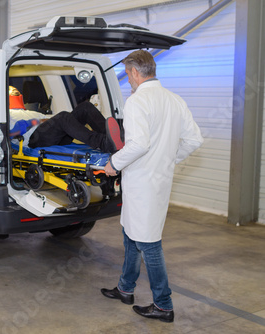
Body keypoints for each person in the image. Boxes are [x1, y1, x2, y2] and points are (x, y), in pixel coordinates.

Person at [101, 50, 204, 322]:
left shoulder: (137, 102)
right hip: (157, 181)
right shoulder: (174, 100)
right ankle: (125, 288)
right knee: (131, 234)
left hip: (142, 182)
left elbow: (138, 144)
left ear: (135, 72)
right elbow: (194, 140)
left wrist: (114, 163)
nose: (129, 80)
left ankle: (164, 304)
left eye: (127, 74)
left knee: (149, 243)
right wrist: (168, 159)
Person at [8, 86, 123, 153]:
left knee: (85, 107)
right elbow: (12, 133)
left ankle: (113, 139)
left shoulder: (30, 112)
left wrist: (46, 120)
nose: (15, 92)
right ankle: (103, 143)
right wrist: (36, 121)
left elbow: (50, 121)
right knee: (63, 116)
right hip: (34, 139)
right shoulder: (7, 115)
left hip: (53, 134)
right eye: (12, 92)